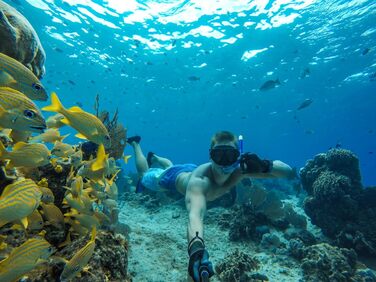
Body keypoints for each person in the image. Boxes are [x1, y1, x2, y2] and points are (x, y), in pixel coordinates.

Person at [127, 131, 292, 282]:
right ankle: (135, 144)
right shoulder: (199, 183)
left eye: (230, 155)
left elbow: (287, 171)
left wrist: (264, 165)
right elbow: (195, 214)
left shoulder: (241, 170)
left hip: (188, 170)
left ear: (238, 156)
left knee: (171, 164)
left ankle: (155, 157)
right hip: (171, 179)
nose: (224, 164)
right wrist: (197, 250)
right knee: (144, 176)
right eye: (219, 155)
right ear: (211, 156)